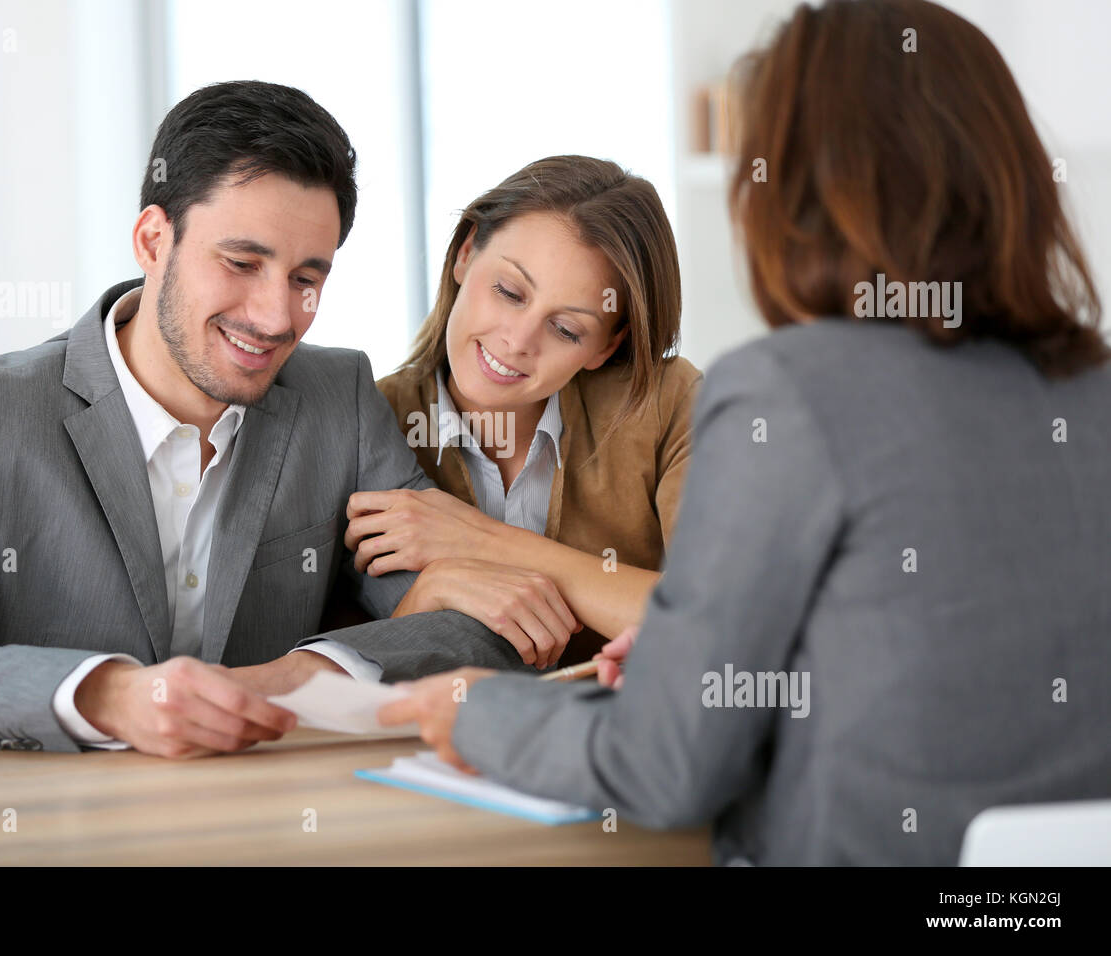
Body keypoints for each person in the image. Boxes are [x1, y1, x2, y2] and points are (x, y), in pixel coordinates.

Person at [378, 0, 1111, 865]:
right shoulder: (1091, 389)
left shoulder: (786, 396)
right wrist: (688, 665)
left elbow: (665, 766)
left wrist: (481, 711)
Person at [0, 80, 528, 759]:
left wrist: (295, 677)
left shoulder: (336, 395)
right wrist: (111, 696)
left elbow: (475, 623)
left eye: (307, 280)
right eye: (242, 262)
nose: (277, 317)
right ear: (153, 240)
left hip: (266, 821)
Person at [344, 156, 701, 669]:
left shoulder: (666, 404)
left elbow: (730, 621)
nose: (516, 341)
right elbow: (327, 662)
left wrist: (482, 540)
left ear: (606, 345)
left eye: (566, 329)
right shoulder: (363, 420)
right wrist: (422, 602)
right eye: (509, 292)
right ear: (465, 254)